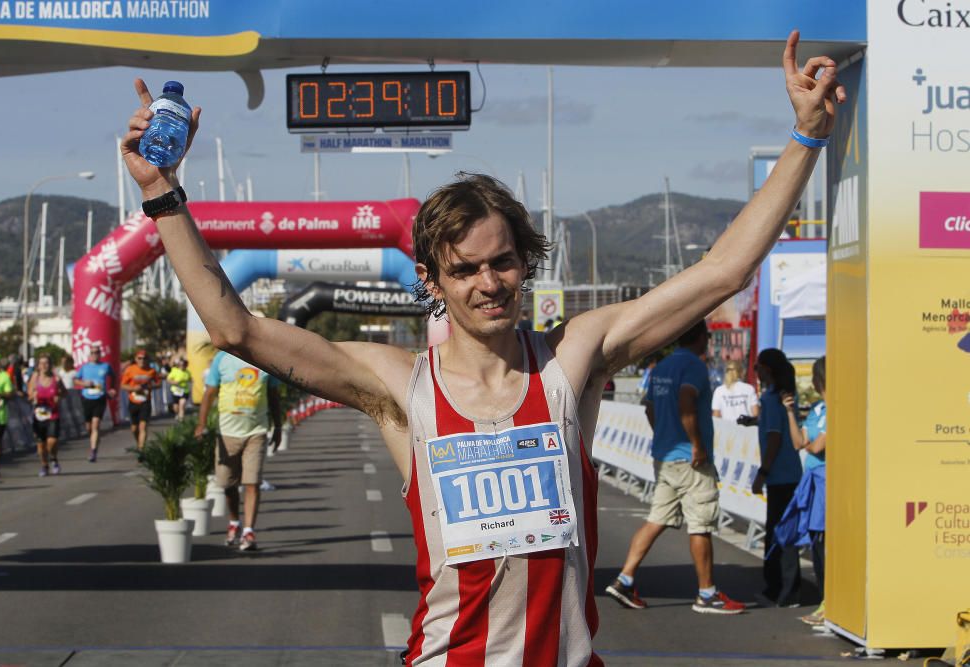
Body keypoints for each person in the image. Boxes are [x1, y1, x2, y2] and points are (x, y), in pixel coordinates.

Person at [122, 31, 842, 663]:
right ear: (433, 280)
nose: (487, 283)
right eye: (464, 269)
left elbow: (723, 271)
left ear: (525, 262)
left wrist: (806, 137)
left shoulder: (572, 361)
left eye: (502, 262)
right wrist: (163, 196)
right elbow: (235, 329)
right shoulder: (400, 386)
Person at [605, 321, 745, 614]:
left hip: (665, 455)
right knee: (701, 523)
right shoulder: (693, 366)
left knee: (658, 518)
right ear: (703, 338)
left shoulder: (662, 367)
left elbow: (649, 407)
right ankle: (707, 594)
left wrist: (663, 435)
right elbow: (686, 401)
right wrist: (696, 444)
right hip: (690, 459)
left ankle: (624, 579)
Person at [195, 350, 281, 551]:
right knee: (228, 484)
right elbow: (209, 392)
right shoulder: (221, 359)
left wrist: (277, 427)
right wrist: (201, 424)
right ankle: (234, 522)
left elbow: (273, 395)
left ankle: (249, 531)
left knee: (253, 482)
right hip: (227, 432)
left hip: (256, 431)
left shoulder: (266, 359)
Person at [752, 347, 803, 608]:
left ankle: (782, 589)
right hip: (788, 475)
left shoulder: (772, 400)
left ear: (766, 370)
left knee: (779, 533)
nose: (755, 371)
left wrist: (762, 472)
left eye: (757, 367)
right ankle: (785, 587)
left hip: (780, 475)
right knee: (783, 532)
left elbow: (774, 437)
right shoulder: (779, 397)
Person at [781, 356, 827, 625]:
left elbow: (819, 447)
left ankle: (828, 602)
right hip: (811, 481)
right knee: (815, 543)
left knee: (823, 544)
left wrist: (813, 443)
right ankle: (825, 601)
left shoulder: (836, 409)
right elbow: (801, 442)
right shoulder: (818, 409)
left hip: (826, 481)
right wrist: (789, 412)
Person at [75, 345, 116, 462]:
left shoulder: (106, 366)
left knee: (96, 424)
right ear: (89, 355)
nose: (95, 355)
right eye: (92, 353)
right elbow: (76, 380)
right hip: (87, 398)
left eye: (97, 352)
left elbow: (113, 377)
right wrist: (84, 384)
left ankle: (93, 451)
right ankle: (94, 439)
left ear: (100, 354)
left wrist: (112, 389)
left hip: (100, 398)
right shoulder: (84, 367)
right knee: (89, 427)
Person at [28, 353, 65, 477]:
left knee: (52, 442)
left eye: (46, 363)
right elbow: (28, 395)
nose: (44, 366)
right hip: (38, 416)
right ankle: (44, 465)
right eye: (41, 363)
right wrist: (33, 396)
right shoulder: (35, 377)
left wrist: (58, 396)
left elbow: (65, 394)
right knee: (40, 445)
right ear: (38, 366)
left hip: (53, 415)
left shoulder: (56, 379)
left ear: (50, 365)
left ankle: (53, 458)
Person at [120, 349, 160, 451]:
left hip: (145, 402)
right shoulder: (130, 370)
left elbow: (158, 383)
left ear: (147, 359)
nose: (142, 360)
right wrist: (134, 388)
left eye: (144, 358)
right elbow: (122, 385)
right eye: (140, 358)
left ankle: (141, 450)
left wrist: (150, 386)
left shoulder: (152, 371)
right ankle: (139, 443)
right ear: (136, 359)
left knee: (143, 426)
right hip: (133, 402)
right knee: (134, 428)